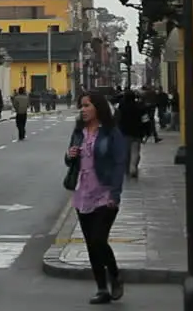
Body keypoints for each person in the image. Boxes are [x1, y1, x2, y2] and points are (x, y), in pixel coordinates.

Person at [66, 91, 128, 304]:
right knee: (91, 245)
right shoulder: (78, 132)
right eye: (81, 106)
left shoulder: (111, 132)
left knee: (98, 239)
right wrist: (69, 155)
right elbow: (69, 160)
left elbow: (120, 163)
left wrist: (115, 193)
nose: (83, 110)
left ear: (98, 108)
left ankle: (115, 274)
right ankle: (102, 288)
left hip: (104, 192)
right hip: (83, 192)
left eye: (87, 106)